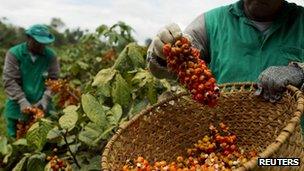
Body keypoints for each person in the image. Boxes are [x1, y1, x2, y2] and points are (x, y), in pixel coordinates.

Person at [147, 0, 304, 127]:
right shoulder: (211, 22)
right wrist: (162, 52)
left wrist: (299, 71)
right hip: (225, 140)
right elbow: (171, 66)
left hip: (291, 147)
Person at [2, 24, 60, 138]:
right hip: (16, 105)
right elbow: (9, 80)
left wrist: (46, 99)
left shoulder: (51, 56)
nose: (40, 46)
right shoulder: (14, 53)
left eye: (43, 43)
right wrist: (22, 100)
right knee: (15, 139)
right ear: (28, 38)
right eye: (37, 42)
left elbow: (54, 80)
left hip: (42, 105)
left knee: (41, 139)